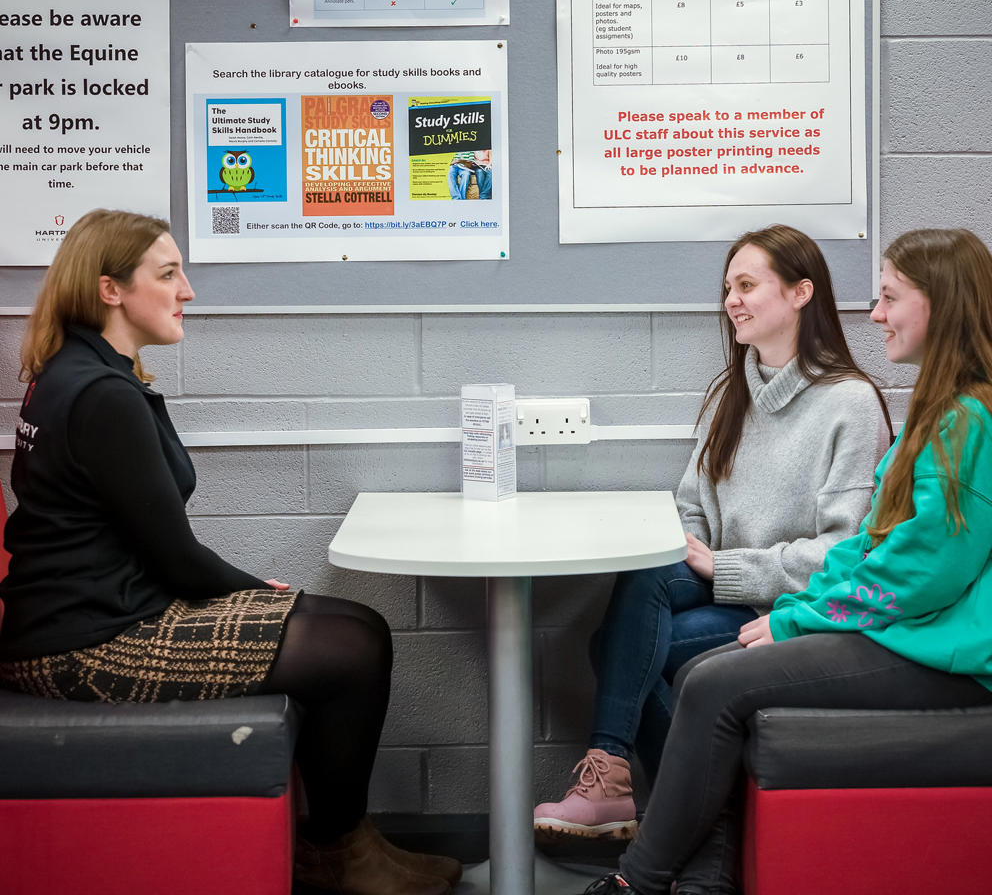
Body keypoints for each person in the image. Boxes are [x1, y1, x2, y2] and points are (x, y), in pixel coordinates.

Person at [0, 209, 462, 895]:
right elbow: (177, 559)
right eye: (168, 274)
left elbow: (152, 546)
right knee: (353, 649)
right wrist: (259, 591)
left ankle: (343, 841)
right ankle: (339, 853)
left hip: (90, 616)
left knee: (359, 626)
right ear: (110, 290)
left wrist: (253, 593)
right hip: (85, 646)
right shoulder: (102, 394)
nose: (187, 289)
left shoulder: (77, 372)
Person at [579, 226, 992, 895]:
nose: (877, 314)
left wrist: (796, 617)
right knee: (685, 653)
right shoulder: (937, 412)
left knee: (709, 680)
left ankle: (636, 882)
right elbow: (873, 544)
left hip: (944, 647)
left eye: (889, 298)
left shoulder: (968, 420)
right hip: (906, 625)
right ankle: (702, 875)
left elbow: (923, 572)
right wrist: (803, 610)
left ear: (941, 305)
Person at [535, 224, 892, 841]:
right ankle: (630, 782)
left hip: (791, 607)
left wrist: (725, 569)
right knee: (645, 571)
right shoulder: (734, 392)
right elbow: (691, 507)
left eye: (748, 285)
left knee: (615, 648)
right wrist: (695, 555)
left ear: (802, 292)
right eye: (729, 287)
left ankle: (668, 806)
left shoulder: (849, 403)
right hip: (720, 587)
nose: (732, 300)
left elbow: (845, 554)